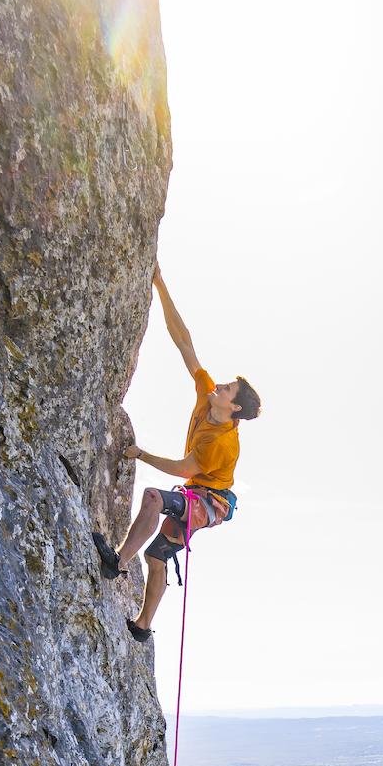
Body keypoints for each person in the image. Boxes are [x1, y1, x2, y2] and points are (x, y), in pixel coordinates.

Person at [92, 263, 261, 640]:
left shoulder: (223, 443)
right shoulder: (207, 398)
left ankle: (117, 563)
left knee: (153, 497)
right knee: (156, 558)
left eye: (228, 388)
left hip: (209, 503)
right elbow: (184, 342)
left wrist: (141, 455)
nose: (219, 384)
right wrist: (159, 283)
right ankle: (142, 627)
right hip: (197, 495)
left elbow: (184, 466)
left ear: (233, 407)